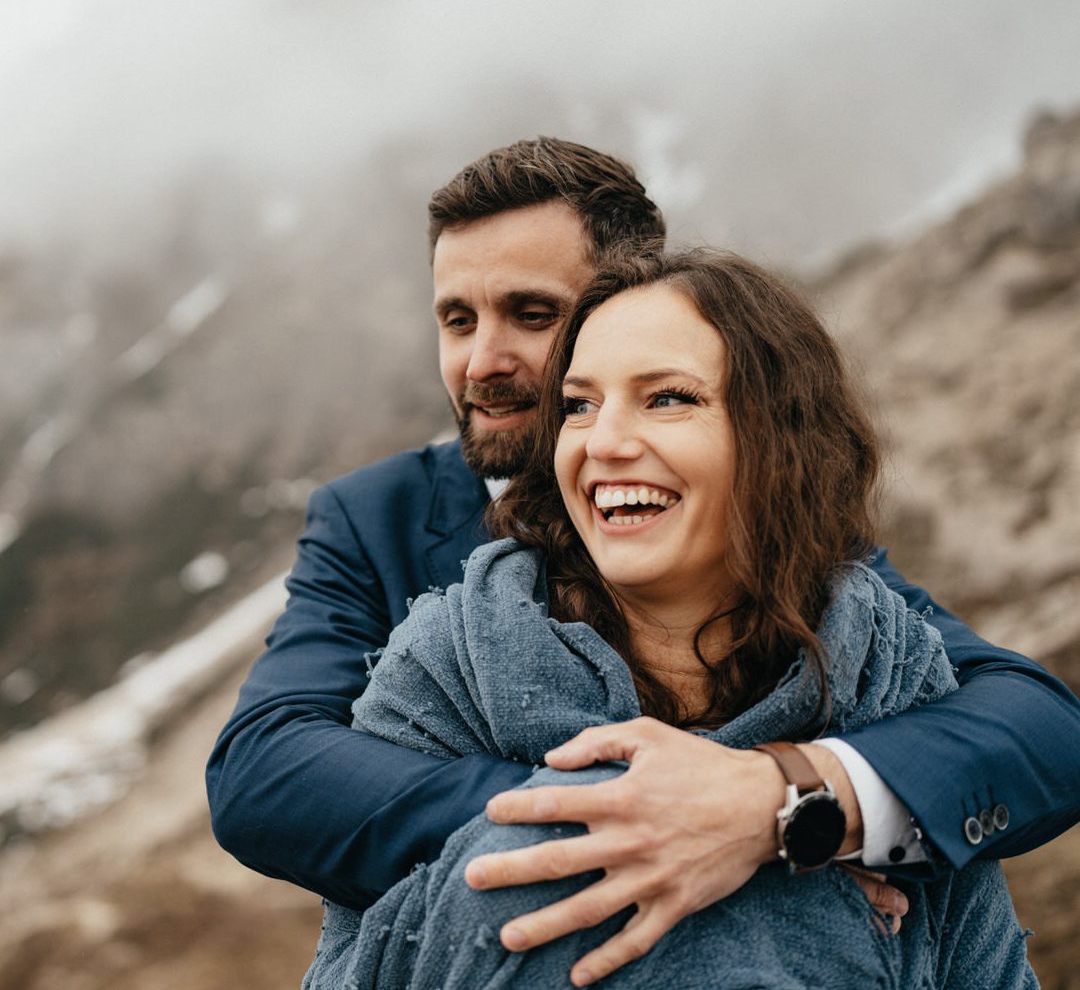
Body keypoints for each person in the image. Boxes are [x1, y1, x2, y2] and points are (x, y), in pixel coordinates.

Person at [206, 138, 1080, 978]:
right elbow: (267, 772)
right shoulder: (376, 516)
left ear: (632, 303)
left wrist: (783, 801)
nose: (482, 361)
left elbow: (1033, 726)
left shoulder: (758, 533)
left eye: (533, 314)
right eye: (456, 319)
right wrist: (641, 822)